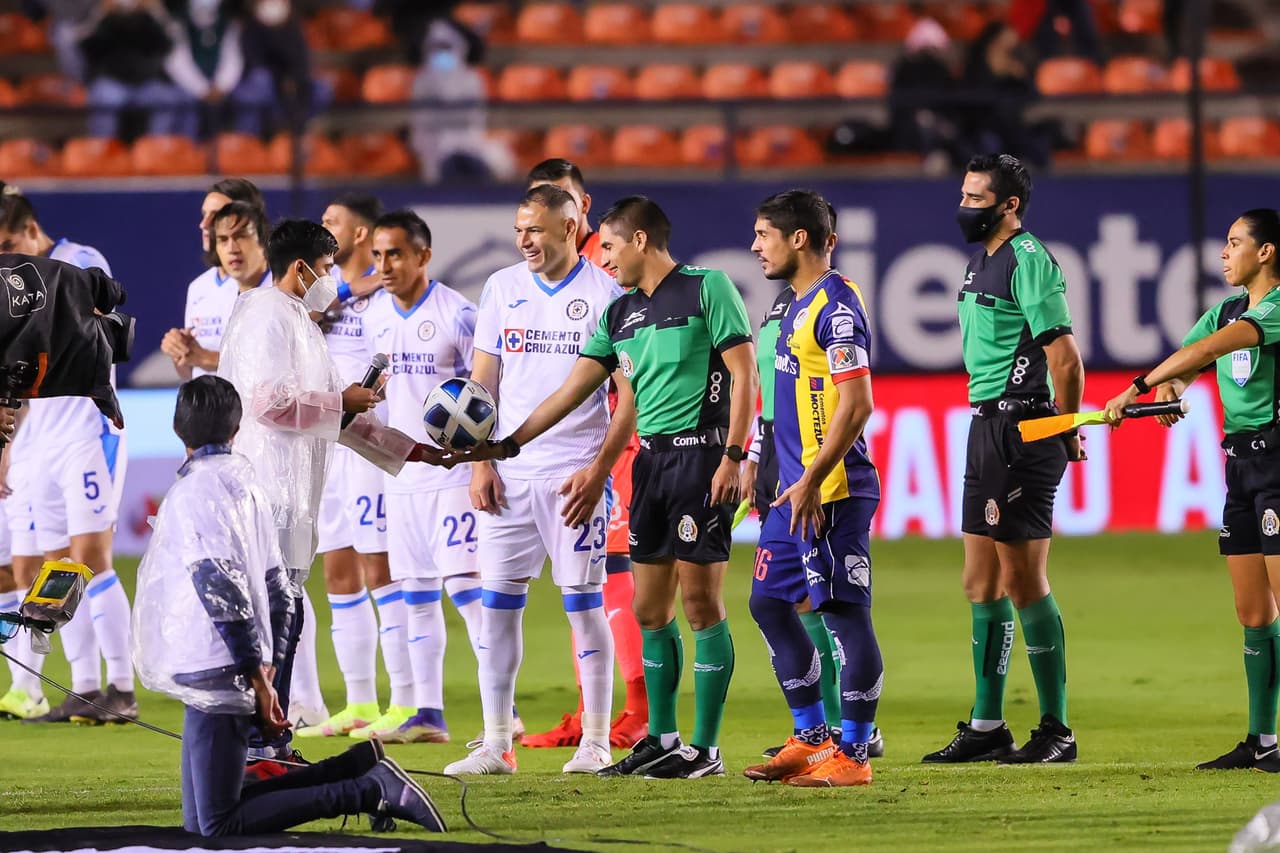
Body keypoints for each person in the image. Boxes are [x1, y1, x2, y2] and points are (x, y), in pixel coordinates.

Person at [464, 196, 758, 780]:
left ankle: (706, 749)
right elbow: (570, 392)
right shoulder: (621, 311)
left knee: (700, 604)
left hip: (703, 459)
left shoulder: (708, 287)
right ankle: (666, 739)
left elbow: (746, 371)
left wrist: (735, 453)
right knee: (650, 610)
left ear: (641, 241)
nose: (605, 255)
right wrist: (505, 445)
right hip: (650, 465)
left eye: (612, 245)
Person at [131, 375, 446, 837]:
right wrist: (272, 668)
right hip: (233, 666)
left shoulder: (194, 494)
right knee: (200, 821)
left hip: (216, 664)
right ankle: (359, 765)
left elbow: (220, 588)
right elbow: (280, 590)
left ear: (179, 430)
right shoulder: (249, 487)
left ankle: (369, 790)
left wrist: (260, 679)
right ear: (237, 429)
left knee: (216, 824)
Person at [217, 218, 439, 770]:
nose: (334, 278)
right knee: (273, 621)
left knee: (282, 619)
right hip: (267, 493)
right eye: (329, 266)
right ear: (302, 268)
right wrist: (344, 400)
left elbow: (335, 417)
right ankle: (257, 745)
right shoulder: (268, 316)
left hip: (291, 496)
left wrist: (409, 449)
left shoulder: (298, 322)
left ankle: (267, 741)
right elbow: (269, 403)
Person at [442, 185, 630, 777]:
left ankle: (595, 742)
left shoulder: (606, 293)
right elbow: (482, 384)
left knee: (583, 604)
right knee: (497, 609)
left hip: (572, 476)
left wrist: (598, 471)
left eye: (537, 229)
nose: (525, 239)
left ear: (571, 227)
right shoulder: (502, 288)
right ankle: (497, 745)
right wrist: (479, 461)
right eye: (520, 228)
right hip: (508, 478)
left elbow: (628, 395)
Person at [1102, 209, 1280, 772]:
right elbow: (1189, 363)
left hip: (1278, 465)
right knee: (1253, 611)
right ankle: (1261, 739)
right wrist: (1170, 392)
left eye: (1234, 244)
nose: (1224, 254)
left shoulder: (1273, 309)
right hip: (1240, 466)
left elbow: (1208, 351)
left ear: (1266, 253)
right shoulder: (1225, 309)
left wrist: (1135, 388)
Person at [922, 154, 1084, 765]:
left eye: (976, 198)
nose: (964, 207)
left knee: (1023, 580)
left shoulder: (1029, 259)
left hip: (1023, 425)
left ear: (1008, 205)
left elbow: (1065, 360)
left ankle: (1056, 729)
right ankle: (988, 725)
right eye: (963, 195)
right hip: (985, 424)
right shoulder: (980, 260)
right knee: (980, 581)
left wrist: (1065, 429)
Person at [735, 190, 883, 788]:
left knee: (844, 616)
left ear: (799, 238)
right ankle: (811, 736)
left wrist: (814, 482)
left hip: (832, 490)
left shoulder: (837, 308)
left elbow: (859, 403)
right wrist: (756, 456)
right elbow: (781, 398)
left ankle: (854, 753)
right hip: (790, 490)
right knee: (767, 603)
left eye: (763, 234)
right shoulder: (787, 307)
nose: (755, 246)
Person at [522, 158, 648, 751]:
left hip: (614, 439)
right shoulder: (533, 273)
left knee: (613, 577)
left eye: (564, 200)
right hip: (558, 447)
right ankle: (587, 710)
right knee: (583, 587)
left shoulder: (610, 261)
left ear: (584, 206)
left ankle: (638, 709)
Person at [353, 209, 491, 745]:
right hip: (402, 476)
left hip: (452, 477)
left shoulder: (458, 314)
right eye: (379, 255)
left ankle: (502, 716)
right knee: (415, 595)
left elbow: (487, 392)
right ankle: (428, 713)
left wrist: (483, 463)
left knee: (467, 593)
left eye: (396, 254)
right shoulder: (374, 317)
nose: (384, 265)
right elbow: (377, 392)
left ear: (423, 257)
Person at [0, 187, 135, 726]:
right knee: (54, 563)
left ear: (32, 230)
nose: (8, 258)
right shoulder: (16, 283)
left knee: (89, 557)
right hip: (43, 437)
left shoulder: (79, 261)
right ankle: (83, 687)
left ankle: (122, 687)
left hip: (86, 430)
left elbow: (83, 337)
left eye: (11, 243)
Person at [297, 193, 408, 740]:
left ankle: (409, 701)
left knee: (380, 569)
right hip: (326, 446)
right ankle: (360, 701)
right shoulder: (327, 294)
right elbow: (294, 313)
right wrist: (340, 289)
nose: (325, 228)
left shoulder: (385, 297)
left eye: (332, 222)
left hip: (367, 445)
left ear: (361, 235)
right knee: (338, 573)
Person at [163, 178, 267, 381]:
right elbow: (190, 374)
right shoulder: (199, 287)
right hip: (208, 409)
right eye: (204, 215)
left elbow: (272, 364)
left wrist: (205, 357)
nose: (204, 224)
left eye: (216, 215)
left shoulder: (270, 283)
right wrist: (181, 352)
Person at [79, 0, 192, 139]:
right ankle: (103, 148)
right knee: (103, 98)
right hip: (113, 82)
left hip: (146, 83)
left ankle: (157, 148)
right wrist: (99, 13)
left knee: (168, 98)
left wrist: (157, 11)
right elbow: (81, 43)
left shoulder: (150, 18)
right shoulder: (105, 17)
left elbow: (173, 40)